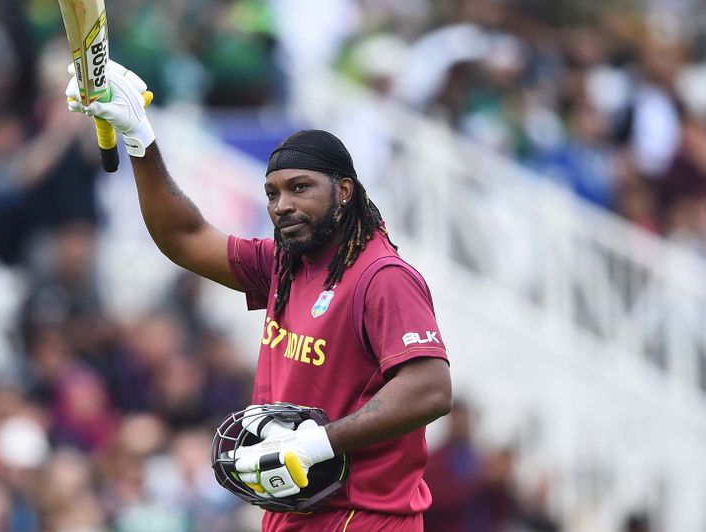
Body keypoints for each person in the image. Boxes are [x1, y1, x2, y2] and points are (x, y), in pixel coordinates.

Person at [65, 60, 452, 531]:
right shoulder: (284, 264)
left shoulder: (382, 276)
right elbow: (185, 237)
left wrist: (317, 444)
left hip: (365, 517)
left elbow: (430, 389)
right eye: (272, 193)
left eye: (300, 188)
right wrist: (139, 139)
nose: (282, 204)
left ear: (345, 191)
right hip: (294, 513)